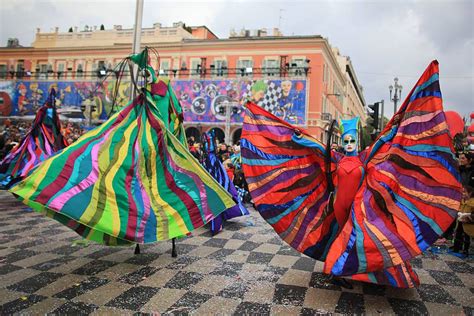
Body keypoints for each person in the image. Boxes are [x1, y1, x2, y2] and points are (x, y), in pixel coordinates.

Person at [241, 61, 462, 288]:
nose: (347, 144)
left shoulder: (365, 157)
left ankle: (344, 270)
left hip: (357, 206)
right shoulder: (336, 158)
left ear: (357, 141)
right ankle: (337, 271)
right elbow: (317, 148)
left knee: (355, 237)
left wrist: (397, 126)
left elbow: (384, 141)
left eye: (351, 141)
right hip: (337, 205)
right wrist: (299, 138)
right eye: (345, 141)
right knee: (339, 236)